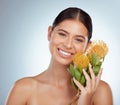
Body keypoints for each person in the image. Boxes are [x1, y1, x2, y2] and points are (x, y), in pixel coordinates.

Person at [6, 7, 113, 105]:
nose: (68, 44)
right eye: (62, 34)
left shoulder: (101, 91)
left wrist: (85, 101)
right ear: (49, 33)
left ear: (87, 46)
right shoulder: (23, 89)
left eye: (78, 40)